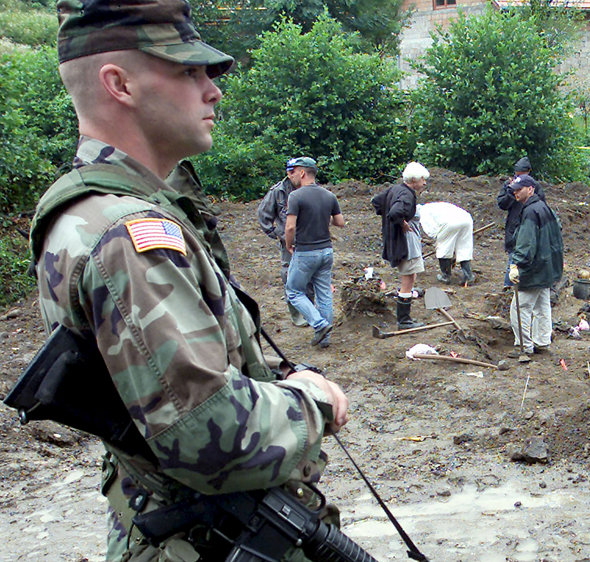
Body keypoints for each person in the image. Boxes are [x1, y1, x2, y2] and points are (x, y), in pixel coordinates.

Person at [28, 0, 349, 559]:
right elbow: (209, 437)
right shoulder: (128, 233)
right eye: (187, 71)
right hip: (199, 539)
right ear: (118, 83)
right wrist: (311, 399)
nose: (213, 90)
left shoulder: (96, 211)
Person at [284, 156, 346, 348]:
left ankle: (319, 325)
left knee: (293, 291)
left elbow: (290, 228)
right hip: (326, 251)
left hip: (306, 252)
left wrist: (288, 245)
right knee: (324, 294)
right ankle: (324, 339)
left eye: (293, 172)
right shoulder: (329, 195)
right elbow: (340, 222)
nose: (290, 176)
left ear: (302, 173)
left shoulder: (296, 196)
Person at [507, 176, 564, 357]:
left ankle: (524, 346)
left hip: (534, 268)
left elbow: (526, 243)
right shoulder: (544, 208)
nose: (515, 192)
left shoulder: (530, 212)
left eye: (519, 189)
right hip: (547, 266)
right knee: (542, 306)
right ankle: (542, 340)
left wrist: (516, 265)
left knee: (519, 307)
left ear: (530, 189)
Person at [372, 162, 428, 329]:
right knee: (408, 279)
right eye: (423, 179)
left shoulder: (394, 189)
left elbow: (376, 202)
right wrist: (402, 223)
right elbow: (395, 212)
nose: (425, 183)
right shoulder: (407, 195)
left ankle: (405, 313)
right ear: (415, 179)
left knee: (410, 277)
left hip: (394, 240)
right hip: (404, 242)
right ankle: (404, 320)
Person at [257, 160, 313, 327]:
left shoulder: (310, 188)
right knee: (290, 277)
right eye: (298, 172)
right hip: (289, 243)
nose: (303, 175)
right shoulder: (278, 192)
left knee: (310, 277)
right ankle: (296, 314)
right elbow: (263, 214)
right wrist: (276, 234)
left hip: (310, 241)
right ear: (290, 173)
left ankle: (310, 311)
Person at [497, 156, 545, 287]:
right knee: (513, 260)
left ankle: (522, 286)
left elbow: (541, 206)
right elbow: (502, 204)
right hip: (513, 228)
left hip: (529, 226)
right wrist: (511, 193)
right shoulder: (509, 185)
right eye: (518, 175)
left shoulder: (535, 186)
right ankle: (509, 289)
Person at [416, 201, 476, 285]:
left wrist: (438, 241)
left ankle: (446, 276)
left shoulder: (422, 212)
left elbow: (432, 230)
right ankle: (468, 277)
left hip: (451, 223)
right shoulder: (433, 206)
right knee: (464, 247)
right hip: (466, 218)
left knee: (444, 248)